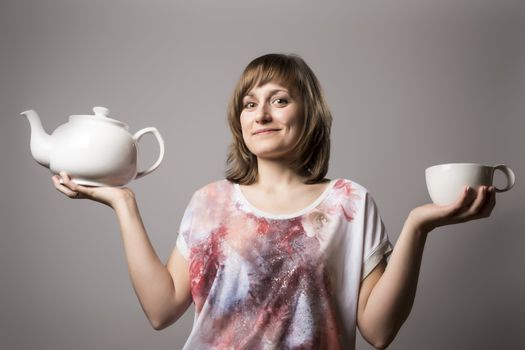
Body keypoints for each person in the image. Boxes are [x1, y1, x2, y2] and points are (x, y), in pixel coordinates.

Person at [52, 53, 496, 350]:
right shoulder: (211, 201)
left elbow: (378, 332)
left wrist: (418, 226)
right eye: (249, 104)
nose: (261, 114)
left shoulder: (349, 203)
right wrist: (124, 204)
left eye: (279, 100)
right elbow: (161, 309)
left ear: (310, 115)